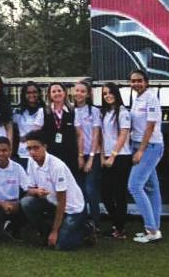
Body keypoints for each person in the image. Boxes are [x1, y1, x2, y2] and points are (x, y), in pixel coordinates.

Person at [20, 131, 88, 251]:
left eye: (36, 148)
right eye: (29, 148)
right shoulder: (31, 161)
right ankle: (45, 232)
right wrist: (36, 192)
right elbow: (28, 190)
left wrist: (55, 231)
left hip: (71, 208)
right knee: (26, 203)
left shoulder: (57, 166)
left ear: (44, 147)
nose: (32, 152)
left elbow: (62, 201)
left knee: (61, 246)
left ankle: (86, 229)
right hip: (52, 203)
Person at [128, 70, 164, 243]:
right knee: (151, 188)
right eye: (133, 81)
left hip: (150, 146)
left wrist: (141, 150)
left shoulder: (151, 98)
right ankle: (155, 229)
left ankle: (151, 229)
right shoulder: (137, 99)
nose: (136, 84)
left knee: (134, 185)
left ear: (146, 82)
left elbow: (150, 126)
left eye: (139, 81)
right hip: (138, 144)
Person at [99, 82, 132, 239]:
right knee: (105, 193)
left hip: (121, 157)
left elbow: (123, 135)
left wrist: (112, 156)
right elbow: (102, 137)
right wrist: (102, 156)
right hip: (106, 157)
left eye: (110, 92)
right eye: (105, 93)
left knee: (119, 194)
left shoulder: (123, 112)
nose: (107, 96)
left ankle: (120, 229)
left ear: (116, 94)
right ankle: (116, 224)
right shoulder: (104, 112)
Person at [73, 80, 102, 230]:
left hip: (92, 155)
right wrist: (79, 156)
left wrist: (90, 158)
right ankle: (83, 223)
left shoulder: (95, 111)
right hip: (77, 156)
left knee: (91, 189)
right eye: (77, 90)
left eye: (82, 91)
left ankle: (96, 222)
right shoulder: (70, 110)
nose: (79, 94)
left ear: (88, 94)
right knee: (80, 191)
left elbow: (96, 135)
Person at [41, 82, 79, 179]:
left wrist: (80, 155)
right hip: (51, 154)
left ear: (64, 93)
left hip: (70, 155)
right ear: (49, 95)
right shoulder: (43, 112)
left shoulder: (73, 111)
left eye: (59, 91)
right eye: (54, 91)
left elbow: (79, 135)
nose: (57, 93)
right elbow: (37, 133)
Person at [13, 81, 45, 169]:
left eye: (34, 92)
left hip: (40, 154)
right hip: (22, 153)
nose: (32, 95)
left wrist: (25, 137)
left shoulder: (45, 111)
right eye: (28, 92)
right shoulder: (17, 112)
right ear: (24, 95)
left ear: (39, 94)